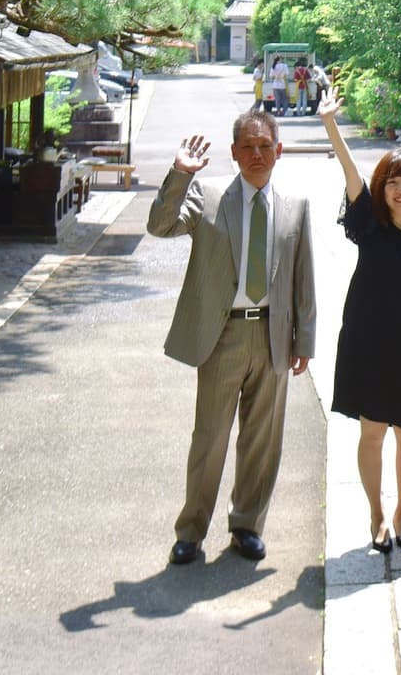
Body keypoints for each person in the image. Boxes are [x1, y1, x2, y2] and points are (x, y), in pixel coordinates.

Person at [147, 110, 316, 566]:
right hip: (222, 333)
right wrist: (181, 173)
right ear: (235, 152)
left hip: (273, 334)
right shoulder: (207, 194)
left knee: (262, 439)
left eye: (266, 146)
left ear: (278, 151)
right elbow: (159, 225)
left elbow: (304, 278)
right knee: (211, 437)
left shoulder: (296, 203)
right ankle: (191, 531)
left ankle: (247, 525)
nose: (257, 154)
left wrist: (306, 342)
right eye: (249, 146)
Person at [320, 93, 401, 551]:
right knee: (371, 431)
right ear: (382, 188)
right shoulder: (369, 224)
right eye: (393, 182)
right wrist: (331, 125)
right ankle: (376, 512)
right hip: (367, 342)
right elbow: (349, 173)